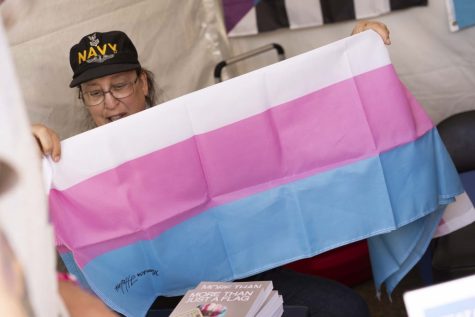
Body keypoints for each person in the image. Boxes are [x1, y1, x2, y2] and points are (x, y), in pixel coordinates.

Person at [33, 22, 391, 316]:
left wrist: (351, 58)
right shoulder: (72, 168)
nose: (110, 102)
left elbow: (289, 124)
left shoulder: (196, 130)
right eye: (94, 93)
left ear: (143, 82)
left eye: (120, 86)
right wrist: (24, 149)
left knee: (345, 309)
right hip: (153, 302)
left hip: (240, 275)